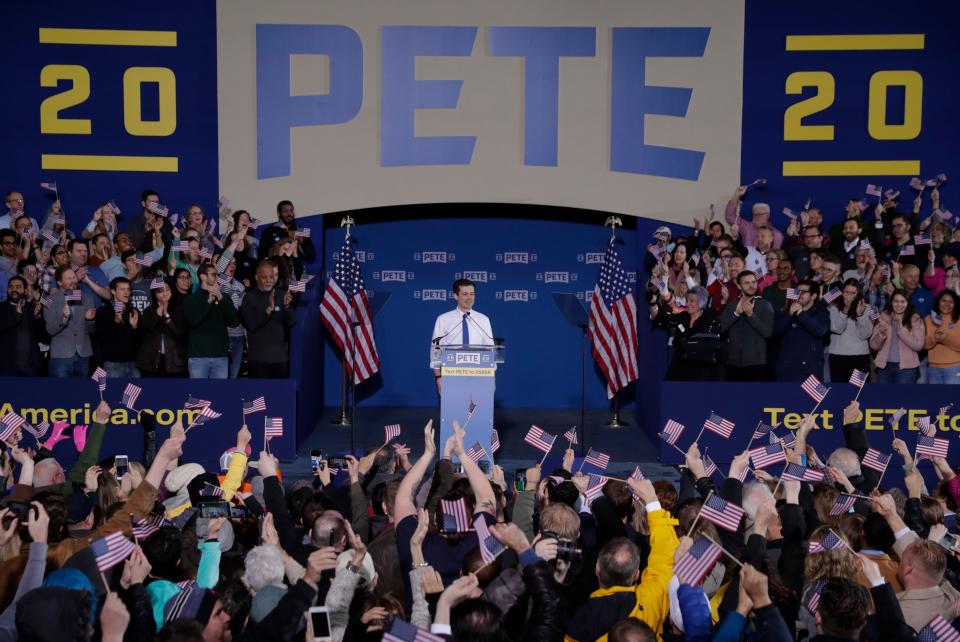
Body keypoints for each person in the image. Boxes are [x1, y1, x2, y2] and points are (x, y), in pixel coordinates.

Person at [430, 278, 494, 392]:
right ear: (455, 296)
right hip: (450, 376)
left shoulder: (484, 319)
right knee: (453, 410)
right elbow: (435, 350)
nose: (469, 298)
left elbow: (490, 350)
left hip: (479, 376)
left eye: (472, 294)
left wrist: (492, 378)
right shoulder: (443, 319)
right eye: (465, 294)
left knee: (475, 410)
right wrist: (438, 378)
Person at [240, 261, 297, 378]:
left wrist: (286, 307)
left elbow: (291, 321)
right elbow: (251, 325)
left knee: (279, 396)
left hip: (280, 359)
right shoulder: (249, 298)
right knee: (259, 396)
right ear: (257, 277)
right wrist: (269, 309)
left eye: (271, 277)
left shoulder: (281, 295)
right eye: (264, 277)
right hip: (258, 360)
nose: (269, 280)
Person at [652, 286, 722, 381]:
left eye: (691, 301)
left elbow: (709, 345)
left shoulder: (710, 320)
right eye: (687, 300)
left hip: (701, 367)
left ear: (701, 303)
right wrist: (653, 305)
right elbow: (665, 320)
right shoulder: (683, 316)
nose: (687, 304)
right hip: (680, 364)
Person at [183, 264, 238, 379]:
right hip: (198, 356)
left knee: (219, 395)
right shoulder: (191, 299)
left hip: (221, 355)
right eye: (214, 274)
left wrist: (219, 296)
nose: (217, 277)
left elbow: (233, 320)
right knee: (197, 395)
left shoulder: (224, 298)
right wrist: (208, 303)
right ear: (203, 276)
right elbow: (194, 321)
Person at [719, 270, 774, 381]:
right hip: (732, 365)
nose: (751, 286)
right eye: (747, 283)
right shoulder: (731, 306)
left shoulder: (765, 305)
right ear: (739, 286)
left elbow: (767, 333)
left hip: (756, 365)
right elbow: (719, 329)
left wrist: (750, 315)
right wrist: (735, 314)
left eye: (754, 282)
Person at [44, 266, 97, 377]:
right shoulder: (50, 300)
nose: (73, 280)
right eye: (69, 278)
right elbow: (50, 330)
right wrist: (64, 318)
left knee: (81, 392)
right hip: (61, 356)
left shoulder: (87, 298)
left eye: (74, 277)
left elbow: (92, 331)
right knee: (60, 393)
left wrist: (89, 320)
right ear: (59, 282)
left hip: (83, 354)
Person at [774, 279, 829, 381]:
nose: (799, 294)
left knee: (812, 397)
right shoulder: (788, 310)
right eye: (797, 291)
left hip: (810, 371)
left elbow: (820, 330)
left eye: (803, 292)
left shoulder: (821, 312)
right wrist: (789, 314)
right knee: (783, 397)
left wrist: (800, 312)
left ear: (813, 296)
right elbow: (776, 331)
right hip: (787, 369)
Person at [870, 290, 925, 384]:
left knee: (902, 398)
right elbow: (874, 346)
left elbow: (918, 345)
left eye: (903, 301)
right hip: (884, 368)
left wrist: (901, 330)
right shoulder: (883, 316)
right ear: (891, 302)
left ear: (908, 303)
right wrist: (881, 335)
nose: (899, 304)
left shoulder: (915, 318)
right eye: (896, 301)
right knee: (883, 398)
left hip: (906, 369)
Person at [137, 278, 186, 377]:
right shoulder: (148, 310)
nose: (165, 293)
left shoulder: (178, 309)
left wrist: (167, 314)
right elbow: (148, 326)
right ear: (154, 295)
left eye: (167, 290)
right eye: (160, 291)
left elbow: (179, 333)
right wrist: (162, 307)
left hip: (174, 361)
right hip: (151, 361)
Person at [826, 279, 873, 383]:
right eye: (847, 292)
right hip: (837, 357)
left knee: (859, 392)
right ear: (842, 292)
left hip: (859, 358)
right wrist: (845, 310)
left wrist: (860, 315)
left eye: (853, 293)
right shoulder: (832, 306)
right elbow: (837, 329)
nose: (849, 296)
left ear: (858, 294)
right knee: (839, 392)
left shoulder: (866, 308)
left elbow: (865, 335)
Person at [94, 277, 140, 378]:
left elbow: (140, 340)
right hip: (113, 364)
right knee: (113, 393)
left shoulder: (134, 311)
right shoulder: (103, 311)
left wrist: (135, 327)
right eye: (122, 289)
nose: (126, 292)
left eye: (128, 289)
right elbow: (102, 337)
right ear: (113, 291)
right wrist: (115, 322)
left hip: (133, 363)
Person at [0, 276, 46, 375]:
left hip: (31, 366)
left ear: (25, 291)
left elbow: (44, 336)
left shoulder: (33, 308)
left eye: (18, 287)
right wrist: (16, 316)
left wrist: (37, 318)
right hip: (6, 366)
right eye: (11, 287)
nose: (14, 290)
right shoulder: (2, 308)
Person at [923, 290, 960, 384]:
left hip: (954, 367)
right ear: (938, 301)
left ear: (955, 304)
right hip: (933, 368)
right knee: (935, 398)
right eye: (944, 300)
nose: (947, 304)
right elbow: (925, 345)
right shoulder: (928, 319)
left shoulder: (958, 320)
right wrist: (934, 338)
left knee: (952, 398)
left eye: (951, 302)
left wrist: (944, 337)